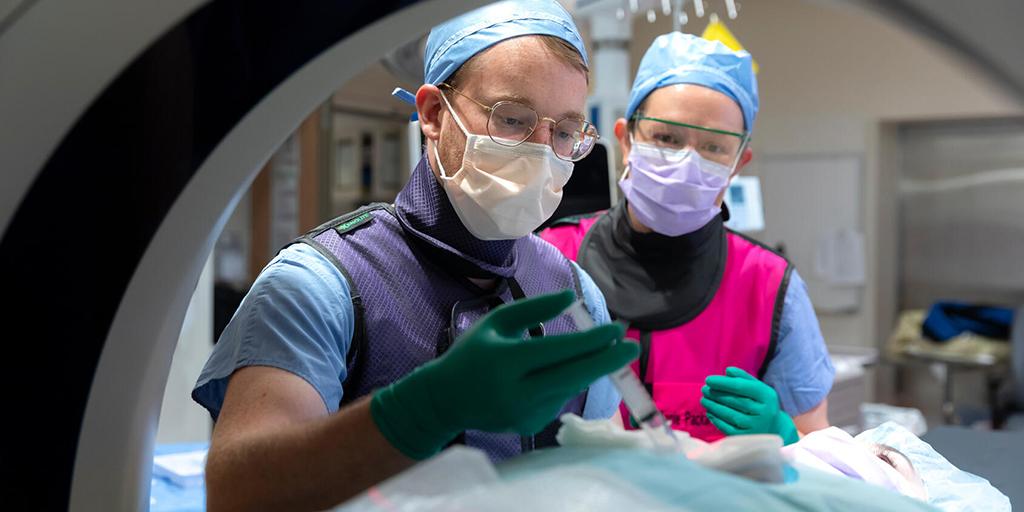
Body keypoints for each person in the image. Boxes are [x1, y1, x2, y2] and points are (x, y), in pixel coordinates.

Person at [191, 2, 639, 510]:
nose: (541, 154)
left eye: (563, 133)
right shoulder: (320, 283)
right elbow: (235, 494)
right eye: (512, 119)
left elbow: (608, 482)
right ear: (432, 114)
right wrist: (424, 411)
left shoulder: (575, 296)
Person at [539, 32, 834, 445]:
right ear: (626, 139)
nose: (686, 162)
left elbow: (818, 446)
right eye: (666, 138)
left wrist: (784, 434)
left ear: (737, 164)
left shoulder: (770, 286)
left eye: (713, 147)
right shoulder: (551, 261)